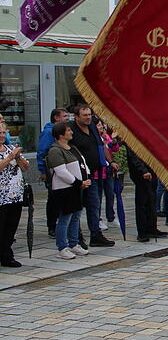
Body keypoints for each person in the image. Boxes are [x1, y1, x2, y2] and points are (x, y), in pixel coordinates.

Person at [69, 105, 113, 247]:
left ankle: (96, 234)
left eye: (89, 114)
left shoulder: (92, 126)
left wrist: (110, 162)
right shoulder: (70, 129)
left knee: (94, 204)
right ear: (76, 116)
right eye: (85, 115)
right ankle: (76, 237)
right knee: (76, 207)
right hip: (77, 175)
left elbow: (101, 145)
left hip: (93, 173)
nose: (88, 117)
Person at [47, 123, 90, 260]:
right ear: (60, 134)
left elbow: (82, 162)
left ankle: (74, 243)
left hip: (76, 188)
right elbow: (61, 172)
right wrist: (78, 182)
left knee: (76, 216)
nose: (71, 132)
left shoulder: (72, 147)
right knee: (65, 218)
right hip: (65, 189)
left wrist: (86, 178)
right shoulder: (55, 150)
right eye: (68, 130)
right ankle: (62, 247)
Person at [0, 115, 28, 268]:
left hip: (14, 195)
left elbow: (25, 167)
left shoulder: (11, 148)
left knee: (11, 227)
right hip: (1, 196)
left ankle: (6, 255)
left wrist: (18, 158)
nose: (2, 136)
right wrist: (9, 157)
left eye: (4, 133)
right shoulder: (8, 153)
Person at [37, 108, 69, 239]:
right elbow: (42, 152)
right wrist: (43, 170)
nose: (67, 118)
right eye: (64, 116)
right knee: (53, 199)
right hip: (51, 170)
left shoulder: (62, 132)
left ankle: (62, 224)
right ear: (56, 117)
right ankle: (52, 225)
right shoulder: (48, 132)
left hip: (63, 168)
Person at [126, 147, 168, 242]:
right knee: (142, 203)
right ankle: (142, 232)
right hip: (141, 173)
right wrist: (143, 170)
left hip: (151, 169)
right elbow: (134, 156)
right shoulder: (132, 138)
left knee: (151, 201)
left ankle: (152, 228)